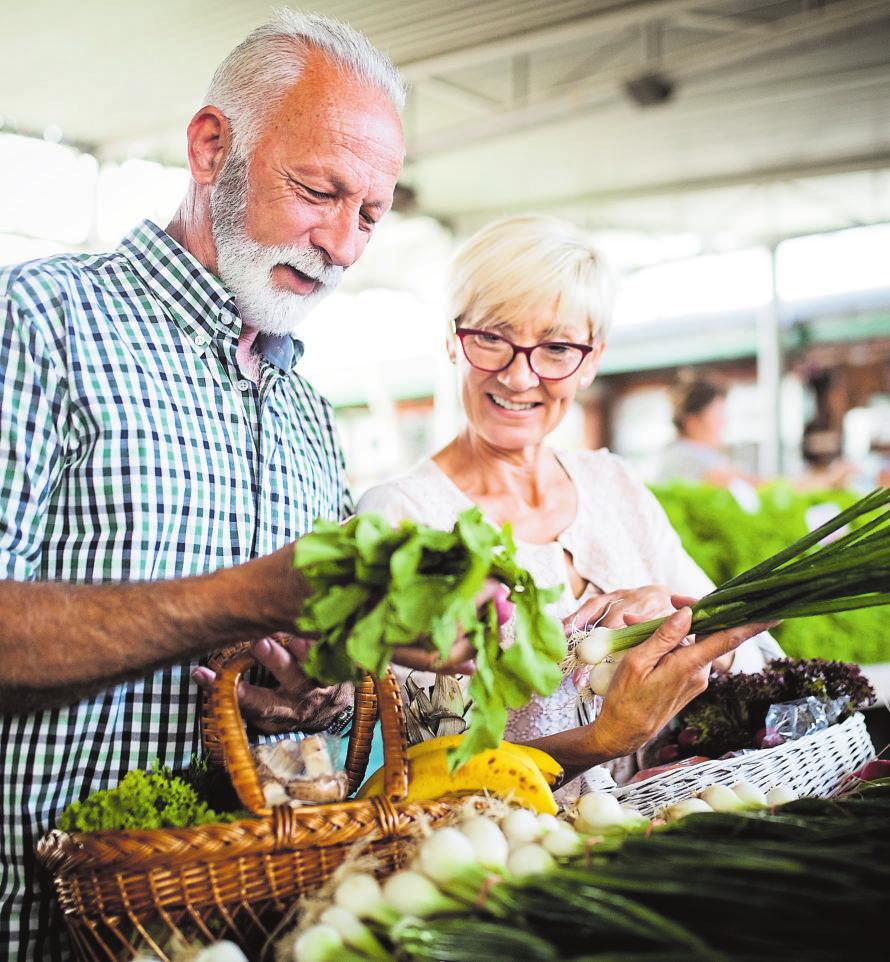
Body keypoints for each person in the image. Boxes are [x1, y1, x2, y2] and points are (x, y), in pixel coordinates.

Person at [0, 12, 417, 961]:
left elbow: (316, 696)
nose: (343, 246)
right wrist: (242, 596)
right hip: (39, 929)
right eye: (319, 191)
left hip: (252, 930)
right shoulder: (38, 322)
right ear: (210, 145)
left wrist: (317, 691)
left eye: (371, 215)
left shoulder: (309, 413)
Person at [358, 216, 780, 795]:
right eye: (491, 338)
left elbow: (757, 655)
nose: (519, 374)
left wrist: (684, 631)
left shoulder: (614, 486)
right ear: (452, 340)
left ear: (591, 360)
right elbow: (417, 769)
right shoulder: (402, 516)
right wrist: (601, 743)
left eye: (556, 348)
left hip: (662, 833)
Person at [656, 376, 759, 488]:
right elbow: (729, 479)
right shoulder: (681, 457)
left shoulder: (709, 456)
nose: (724, 424)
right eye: (718, 417)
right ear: (692, 421)